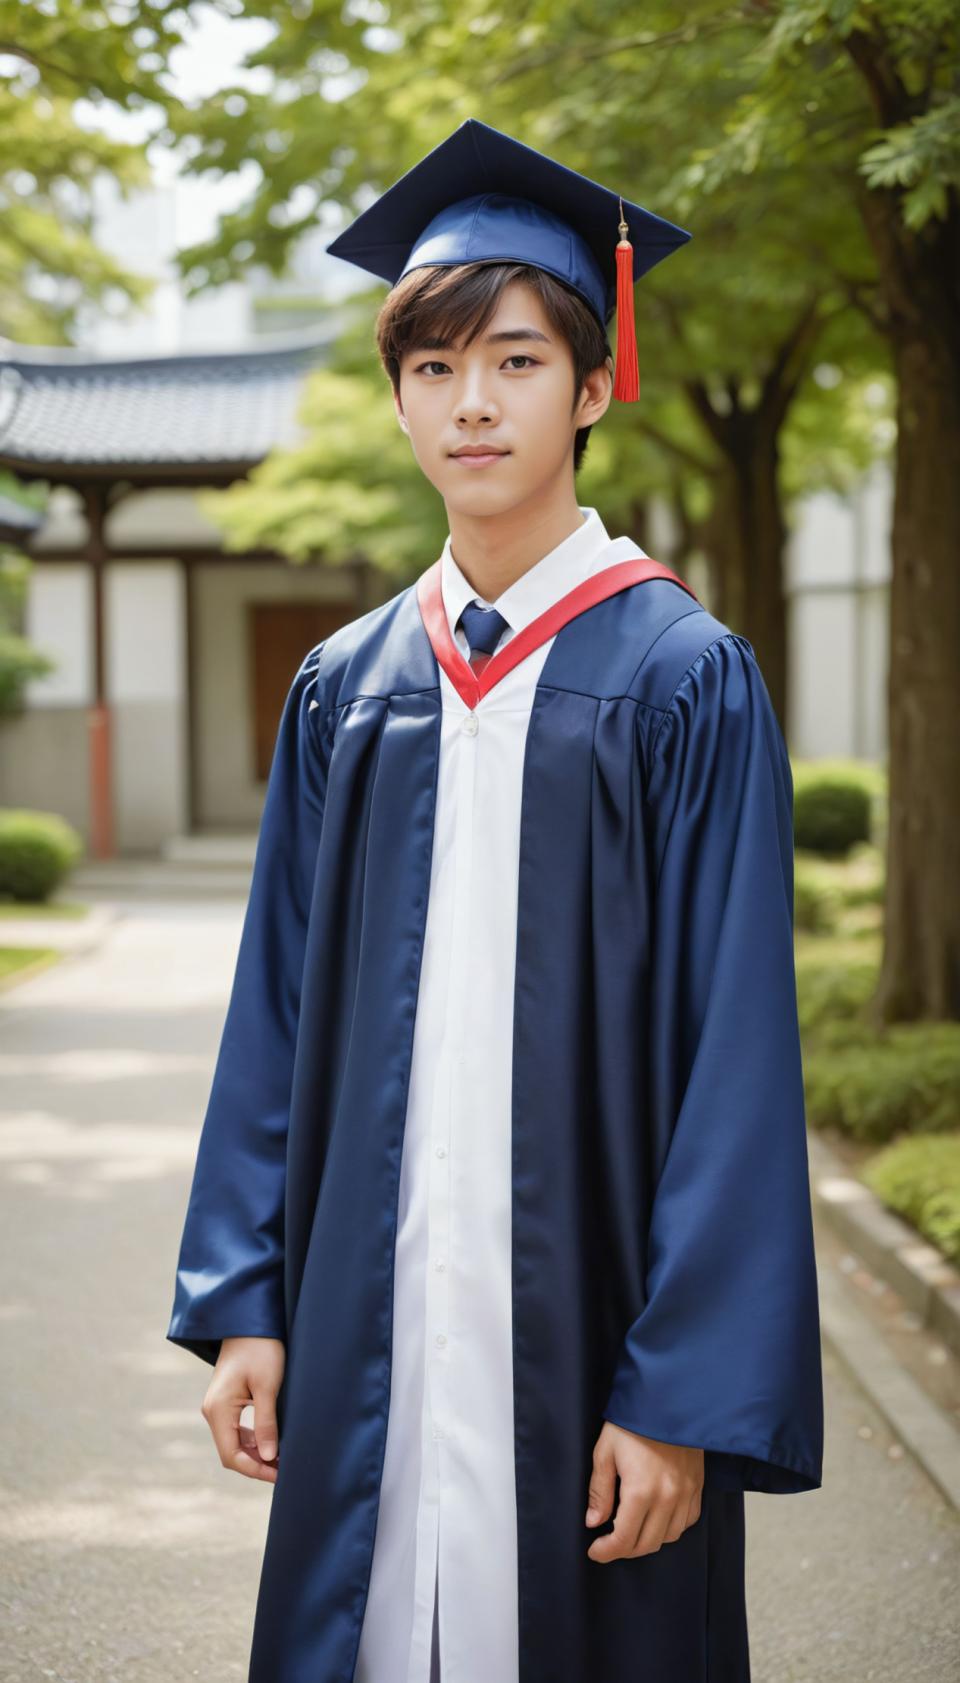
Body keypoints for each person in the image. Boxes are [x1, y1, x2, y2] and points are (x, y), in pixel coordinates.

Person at [166, 116, 824, 1683]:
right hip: (367, 1327)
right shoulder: (350, 688)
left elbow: (736, 1057)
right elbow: (278, 1010)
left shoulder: (680, 679)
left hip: (591, 1327)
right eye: (435, 367)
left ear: (595, 388)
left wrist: (683, 1390)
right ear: (397, 397)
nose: (474, 403)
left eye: (519, 361)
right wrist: (246, 1298)